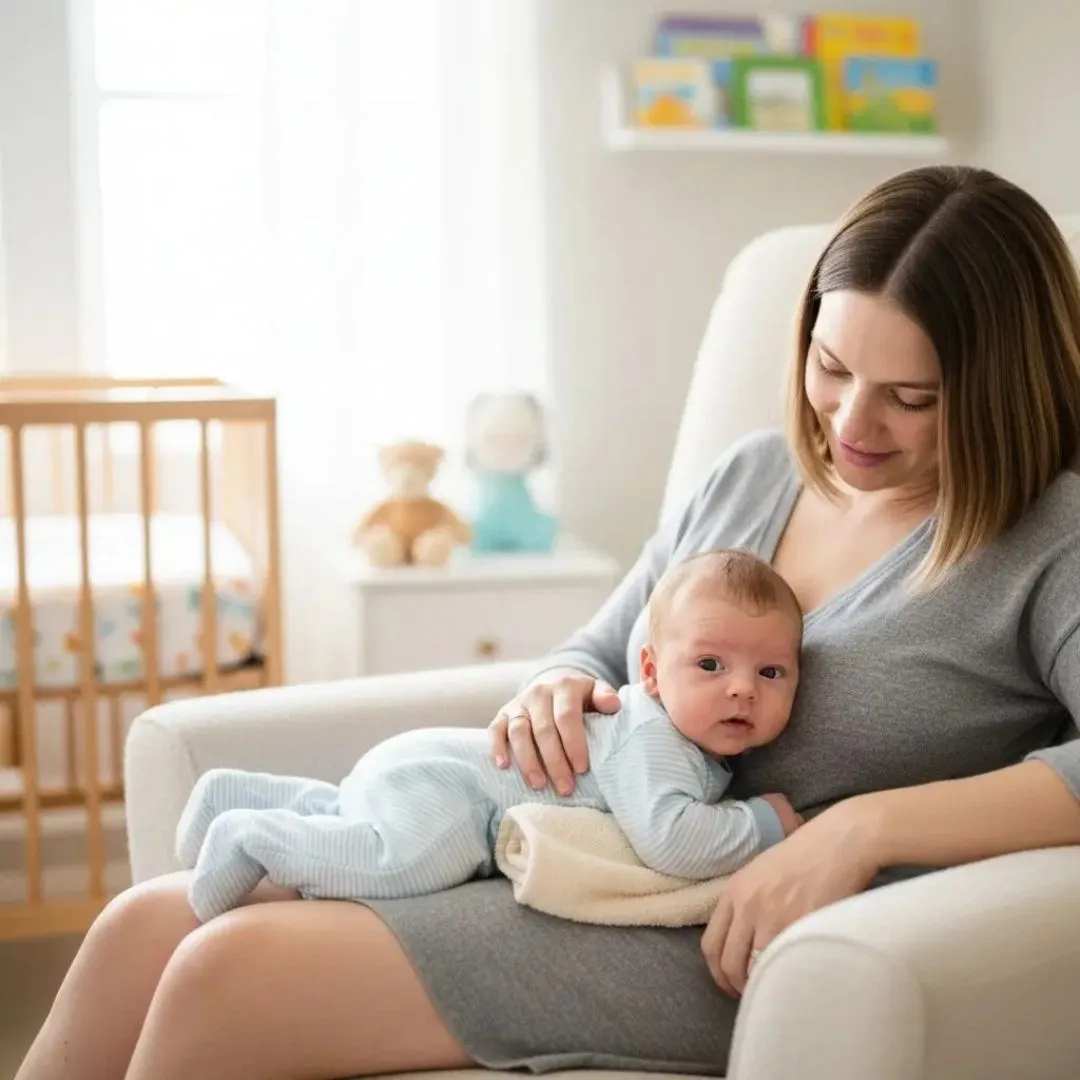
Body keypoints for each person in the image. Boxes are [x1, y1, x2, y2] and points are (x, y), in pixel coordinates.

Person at [15, 163, 1080, 1080]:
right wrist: (555, 689)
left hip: (728, 931)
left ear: (1001, 387)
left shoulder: (1051, 536)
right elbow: (604, 647)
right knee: (137, 928)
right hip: (578, 853)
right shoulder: (751, 478)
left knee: (224, 973)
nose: (851, 422)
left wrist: (864, 826)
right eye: (833, 368)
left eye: (912, 397)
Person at [176, 548, 805, 922]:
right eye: (711, 666)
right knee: (387, 861)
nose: (742, 689)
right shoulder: (653, 737)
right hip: (452, 798)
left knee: (347, 814)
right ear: (652, 672)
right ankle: (252, 835)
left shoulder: (668, 730)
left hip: (424, 765)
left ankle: (233, 793)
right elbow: (672, 841)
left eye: (770, 671)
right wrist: (764, 823)